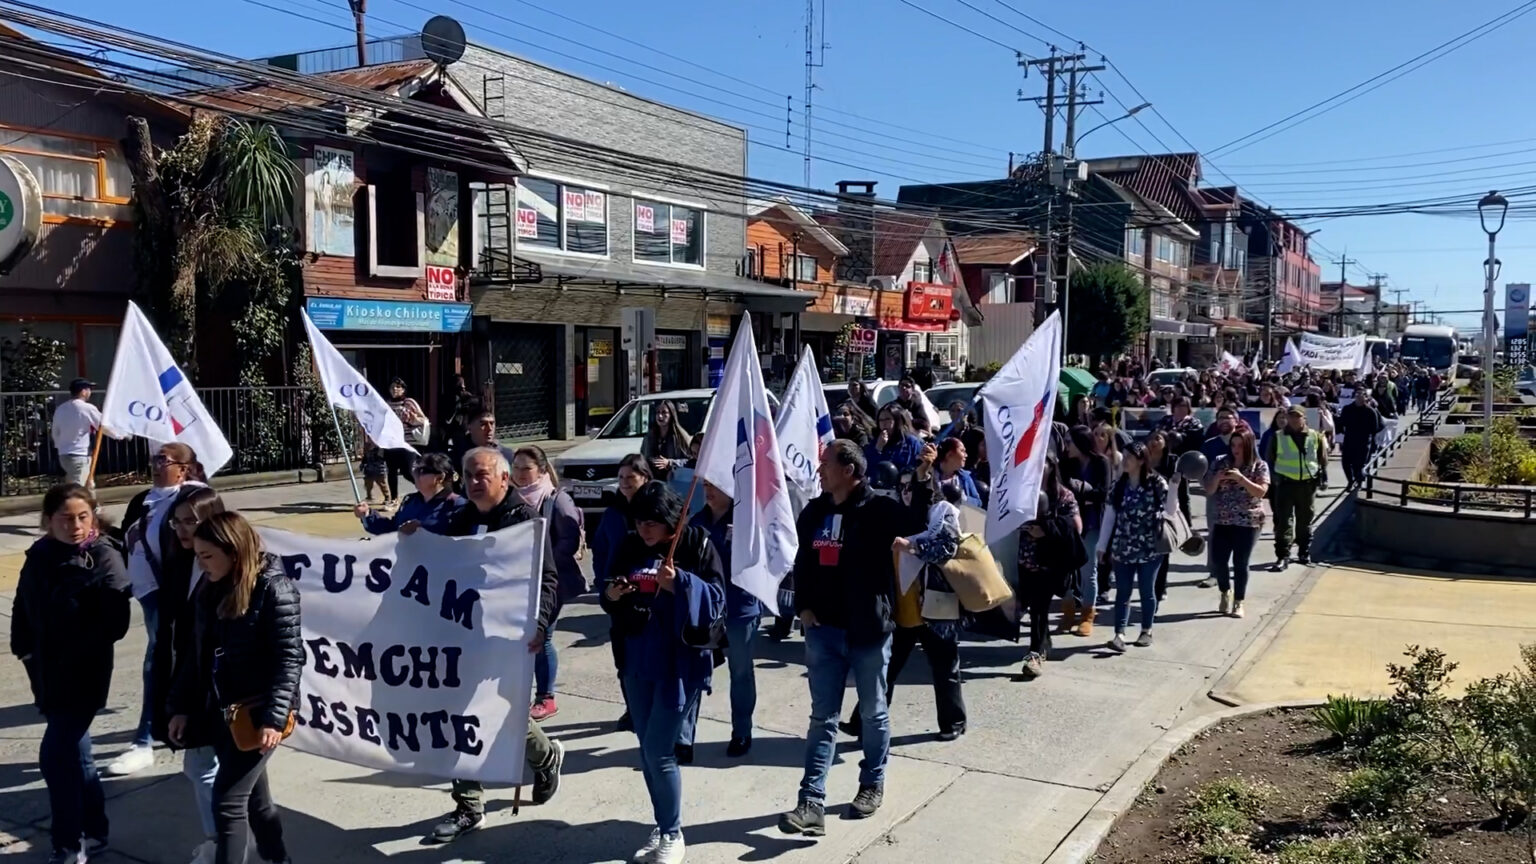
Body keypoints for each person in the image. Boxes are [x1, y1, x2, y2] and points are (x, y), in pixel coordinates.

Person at [779, 439, 928, 837]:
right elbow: (803, 561)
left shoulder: (879, 509)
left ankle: (871, 782)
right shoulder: (815, 510)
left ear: (849, 470)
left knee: (873, 713)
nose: (820, 469)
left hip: (867, 632)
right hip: (823, 633)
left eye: (826, 463)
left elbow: (918, 524)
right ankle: (811, 802)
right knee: (821, 719)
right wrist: (803, 607)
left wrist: (925, 482)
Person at [428, 446, 565, 843]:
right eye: (468, 475)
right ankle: (469, 806)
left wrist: (539, 624)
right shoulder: (459, 518)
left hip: (507, 638)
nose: (473, 483)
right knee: (460, 714)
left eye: (482, 475)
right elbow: (437, 566)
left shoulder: (525, 521)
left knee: (502, 713)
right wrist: (411, 540)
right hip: (463, 637)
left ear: (504, 479)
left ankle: (545, 757)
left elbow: (548, 581)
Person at [602, 482, 727, 864]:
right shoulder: (629, 544)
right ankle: (662, 824)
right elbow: (607, 589)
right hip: (636, 659)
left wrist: (681, 584)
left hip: (680, 664)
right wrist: (613, 595)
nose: (645, 531)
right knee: (646, 749)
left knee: (659, 750)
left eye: (653, 523)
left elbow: (718, 598)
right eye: (639, 522)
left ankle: (673, 833)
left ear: (672, 520)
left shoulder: (696, 543)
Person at [168, 511, 301, 864]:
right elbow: (196, 655)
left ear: (234, 552)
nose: (201, 564)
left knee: (227, 801)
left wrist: (275, 717)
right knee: (256, 802)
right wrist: (181, 707)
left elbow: (289, 659)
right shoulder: (210, 589)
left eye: (207, 556)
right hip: (223, 713)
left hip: (257, 715)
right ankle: (278, 859)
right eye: (197, 555)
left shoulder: (274, 588)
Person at [11, 484, 130, 864]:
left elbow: (115, 622)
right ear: (48, 521)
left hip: (84, 672)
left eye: (83, 516)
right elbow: (22, 601)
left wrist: (72, 643)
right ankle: (96, 830)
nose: (75, 525)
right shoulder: (41, 554)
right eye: (65, 518)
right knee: (79, 759)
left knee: (54, 757)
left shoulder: (103, 556)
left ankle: (68, 842)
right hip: (44, 669)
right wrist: (24, 647)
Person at [110, 442, 207, 778]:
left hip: (174, 596)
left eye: (164, 460)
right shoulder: (143, 499)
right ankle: (164, 726)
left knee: (160, 661)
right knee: (161, 661)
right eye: (154, 458)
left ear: (184, 467)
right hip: (147, 594)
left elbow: (202, 539)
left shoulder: (191, 497)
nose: (155, 464)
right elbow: (127, 539)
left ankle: (145, 739)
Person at [165, 486, 228, 864]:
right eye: (178, 522)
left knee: (202, 768)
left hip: (218, 688)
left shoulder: (224, 570)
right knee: (213, 770)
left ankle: (222, 840)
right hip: (194, 683)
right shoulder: (179, 562)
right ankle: (236, 838)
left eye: (191, 521)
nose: (183, 530)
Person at [512, 445, 585, 722]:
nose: (519, 473)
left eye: (526, 468)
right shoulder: (511, 499)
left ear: (542, 470)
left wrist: (545, 558)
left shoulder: (555, 499)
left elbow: (570, 539)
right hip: (518, 581)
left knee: (542, 637)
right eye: (515, 467)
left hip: (549, 582)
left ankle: (546, 696)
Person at [689, 481, 762, 757]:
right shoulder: (697, 521)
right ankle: (685, 737)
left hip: (739, 609)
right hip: (705, 611)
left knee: (740, 672)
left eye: (716, 486)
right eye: (706, 485)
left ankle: (741, 731)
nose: (709, 491)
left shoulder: (746, 519)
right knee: (694, 670)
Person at [592, 453, 653, 732]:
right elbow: (601, 549)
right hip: (618, 597)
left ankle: (652, 708)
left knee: (650, 658)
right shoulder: (613, 513)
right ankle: (632, 707)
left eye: (631, 477)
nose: (625, 483)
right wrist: (603, 583)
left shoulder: (656, 510)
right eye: (621, 478)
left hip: (650, 596)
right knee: (624, 659)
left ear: (645, 478)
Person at [1095, 441, 1169, 653]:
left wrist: (1173, 486)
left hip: (1150, 548)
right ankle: (1119, 635)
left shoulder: (1156, 483)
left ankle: (1146, 630)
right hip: (1122, 547)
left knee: (1147, 591)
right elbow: (1109, 517)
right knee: (1123, 593)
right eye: (1124, 456)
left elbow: (1171, 509)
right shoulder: (1118, 486)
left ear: (1140, 460)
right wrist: (1102, 546)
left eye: (1129, 457)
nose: (1124, 461)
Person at [1017, 456, 1084, 679]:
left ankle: (1033, 655)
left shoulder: (1064, 495)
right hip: (1025, 560)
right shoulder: (1023, 491)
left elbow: (1075, 526)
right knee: (1034, 608)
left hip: (1048, 562)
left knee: (1038, 609)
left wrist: (1046, 529)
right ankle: (1043, 642)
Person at [1204, 427, 1270, 619]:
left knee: (1240, 562)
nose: (1236, 449)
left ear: (1248, 446)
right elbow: (1208, 490)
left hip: (1247, 520)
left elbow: (1261, 492)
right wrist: (1217, 478)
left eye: (1240, 445)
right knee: (1219, 561)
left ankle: (1239, 601)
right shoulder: (1219, 462)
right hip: (1223, 519)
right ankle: (1225, 591)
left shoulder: (1259, 465)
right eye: (1233, 445)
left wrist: (1241, 479)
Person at [1264, 404, 1329, 570]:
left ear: (1304, 418)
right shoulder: (1277, 436)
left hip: (1307, 485)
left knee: (1305, 521)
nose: (1293, 419)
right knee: (1283, 522)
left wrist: (1323, 477)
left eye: (1297, 416)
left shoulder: (1315, 436)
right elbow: (1269, 460)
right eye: (1291, 416)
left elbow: (1322, 459)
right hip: (1284, 484)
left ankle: (1303, 552)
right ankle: (1282, 555)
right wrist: (1273, 480)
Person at [1060, 425, 1111, 637]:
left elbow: (1103, 493)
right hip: (1069, 522)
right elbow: (1062, 489)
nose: (1066, 445)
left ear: (1081, 443)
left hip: (1092, 522)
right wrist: (1085, 493)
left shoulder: (1102, 463)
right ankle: (1069, 612)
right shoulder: (1065, 463)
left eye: (1070, 441)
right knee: (1065, 569)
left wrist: (1081, 491)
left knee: (1088, 570)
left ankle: (1087, 615)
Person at [354, 452, 461, 535]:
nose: (415, 473)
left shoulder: (458, 506)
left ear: (439, 477)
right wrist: (367, 514)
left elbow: (464, 541)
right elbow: (392, 528)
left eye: (422, 471)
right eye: (416, 469)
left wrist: (423, 529)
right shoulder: (410, 501)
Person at [50, 378, 111, 487]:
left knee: (87, 484)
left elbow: (55, 431)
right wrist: (120, 435)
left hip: (63, 454)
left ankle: (91, 504)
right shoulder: (86, 408)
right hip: (79, 454)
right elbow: (103, 425)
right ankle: (78, 503)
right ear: (83, 391)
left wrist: (59, 446)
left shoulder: (61, 408)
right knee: (79, 488)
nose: (90, 392)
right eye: (89, 389)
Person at [385, 378, 428, 501]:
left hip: (407, 442)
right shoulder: (386, 404)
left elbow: (423, 420)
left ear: (403, 389)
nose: (395, 389)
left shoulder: (409, 402)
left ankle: (424, 489)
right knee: (391, 471)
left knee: (407, 471)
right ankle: (394, 498)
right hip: (392, 442)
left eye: (398, 387)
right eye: (392, 387)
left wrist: (413, 418)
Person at [448, 409, 516, 486]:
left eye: (492, 423)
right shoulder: (456, 457)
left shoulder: (506, 455)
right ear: (469, 426)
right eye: (483, 424)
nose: (489, 428)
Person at [1338, 388, 1383, 487]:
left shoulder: (1371, 412)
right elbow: (1342, 423)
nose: (1359, 397)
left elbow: (1375, 427)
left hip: (1363, 441)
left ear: (1366, 397)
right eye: (1357, 395)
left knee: (1358, 464)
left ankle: (1359, 481)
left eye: (1362, 395)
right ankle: (1350, 481)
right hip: (1349, 439)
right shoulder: (1347, 409)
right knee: (1346, 463)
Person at [866, 405, 924, 476]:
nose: (884, 423)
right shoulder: (874, 442)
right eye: (881, 420)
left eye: (888, 419)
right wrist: (878, 448)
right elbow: (868, 468)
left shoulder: (911, 442)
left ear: (896, 421)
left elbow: (921, 466)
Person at [642, 400, 693, 481]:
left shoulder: (681, 436)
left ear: (671, 415)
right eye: (658, 412)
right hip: (653, 481)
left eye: (664, 413)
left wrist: (669, 463)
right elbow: (643, 458)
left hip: (675, 481)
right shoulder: (649, 437)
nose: (660, 416)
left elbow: (691, 461)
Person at [932, 437, 982, 507]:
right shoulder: (931, 475)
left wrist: (962, 497)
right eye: (962, 451)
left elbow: (978, 502)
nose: (966, 455)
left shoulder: (965, 477)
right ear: (949, 455)